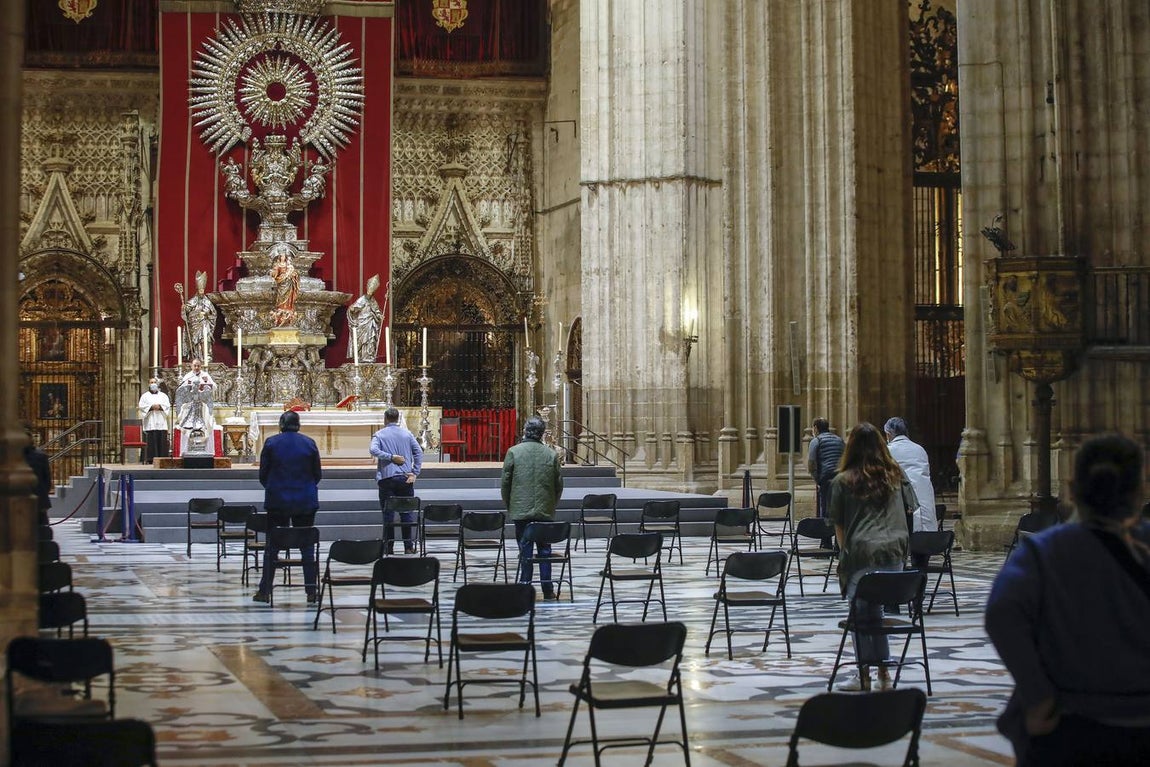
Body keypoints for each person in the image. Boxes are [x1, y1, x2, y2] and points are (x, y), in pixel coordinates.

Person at [985, 434, 1150, 766]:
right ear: (1138, 491)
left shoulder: (1044, 551)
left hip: (1072, 724)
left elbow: (1001, 613)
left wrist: (1038, 695)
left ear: (1072, 488)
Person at [829, 422, 915, 692]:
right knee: (874, 613)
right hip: (896, 556)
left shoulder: (843, 481)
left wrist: (845, 558)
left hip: (862, 555)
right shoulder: (896, 475)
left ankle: (864, 673)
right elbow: (911, 508)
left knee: (861, 614)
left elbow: (839, 526)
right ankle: (884, 674)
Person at [254, 410, 322, 604]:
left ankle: (265, 590)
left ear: (281, 424)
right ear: (298, 424)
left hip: (278, 499)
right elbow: (317, 473)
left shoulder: (271, 442)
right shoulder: (309, 443)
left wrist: (273, 486)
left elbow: (263, 473)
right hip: (305, 499)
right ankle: (311, 591)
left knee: (272, 547)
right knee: (307, 546)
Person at [501, 417, 564, 600]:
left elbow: (506, 483)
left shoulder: (513, 452)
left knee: (525, 548)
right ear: (542, 433)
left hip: (520, 509)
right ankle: (547, 589)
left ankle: (524, 585)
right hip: (544, 510)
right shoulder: (550, 454)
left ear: (525, 431)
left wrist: (510, 505)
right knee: (545, 550)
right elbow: (558, 484)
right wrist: (552, 504)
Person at [369, 407, 423, 554]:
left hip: (387, 478)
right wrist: (415, 472)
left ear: (385, 419)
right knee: (406, 513)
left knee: (388, 514)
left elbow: (373, 450)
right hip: (406, 478)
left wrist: (390, 457)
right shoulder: (407, 434)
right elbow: (418, 452)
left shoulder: (379, 435)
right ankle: (408, 546)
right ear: (398, 419)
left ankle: (389, 547)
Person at [883, 416, 937, 533]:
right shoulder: (920, 450)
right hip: (926, 510)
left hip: (902, 510)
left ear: (888, 434)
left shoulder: (887, 451)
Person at [808, 418, 845, 546]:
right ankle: (838, 545)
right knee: (840, 510)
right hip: (841, 478)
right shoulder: (839, 440)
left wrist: (817, 480)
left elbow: (812, 463)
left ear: (816, 428)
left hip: (826, 479)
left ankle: (826, 543)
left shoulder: (816, 441)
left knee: (826, 511)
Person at [176, 359, 216, 454]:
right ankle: (185, 451)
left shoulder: (205, 376)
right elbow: (182, 389)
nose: (197, 368)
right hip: (190, 405)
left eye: (198, 366)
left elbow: (214, 387)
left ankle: (206, 451)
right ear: (191, 366)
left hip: (203, 405)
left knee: (206, 426)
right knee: (187, 428)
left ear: (201, 366)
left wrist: (206, 385)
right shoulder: (188, 376)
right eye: (195, 365)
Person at [176, 270, 216, 363]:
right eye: (200, 290)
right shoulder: (193, 300)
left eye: (203, 290)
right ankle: (196, 356)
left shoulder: (207, 302)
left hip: (205, 324)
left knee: (206, 338)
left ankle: (206, 356)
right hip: (194, 326)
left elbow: (213, 314)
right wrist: (184, 308)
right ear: (197, 290)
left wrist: (206, 314)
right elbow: (187, 309)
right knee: (196, 342)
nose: (201, 292)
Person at [347, 274, 383, 363]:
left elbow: (377, 310)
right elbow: (355, 308)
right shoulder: (362, 299)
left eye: (372, 290)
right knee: (362, 340)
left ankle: (369, 355)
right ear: (367, 289)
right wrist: (352, 309)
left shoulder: (373, 301)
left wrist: (379, 316)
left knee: (370, 339)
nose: (370, 291)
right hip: (362, 323)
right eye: (370, 289)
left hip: (370, 323)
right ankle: (360, 356)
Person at [23, 423, 52, 526]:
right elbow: (47, 481)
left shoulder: (40, 456)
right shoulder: (40, 456)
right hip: (37, 496)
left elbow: (47, 480)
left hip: (36, 496)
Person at [137, 378, 171, 462]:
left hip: (161, 421)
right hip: (150, 422)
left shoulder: (163, 395)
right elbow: (141, 406)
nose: (153, 384)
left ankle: (162, 459)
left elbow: (167, 406)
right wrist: (151, 407)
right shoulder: (145, 396)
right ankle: (149, 459)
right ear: (149, 384)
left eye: (155, 382)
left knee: (161, 441)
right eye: (151, 382)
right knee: (151, 440)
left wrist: (160, 406)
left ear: (157, 384)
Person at [270, 246, 300, 327]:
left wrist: (293, 275)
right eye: (281, 256)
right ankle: (280, 309)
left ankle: (288, 309)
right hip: (281, 284)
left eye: (284, 256)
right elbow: (275, 274)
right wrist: (274, 273)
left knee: (288, 297)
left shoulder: (289, 266)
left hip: (288, 284)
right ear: (279, 257)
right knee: (281, 297)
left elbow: (295, 274)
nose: (283, 257)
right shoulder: (278, 264)